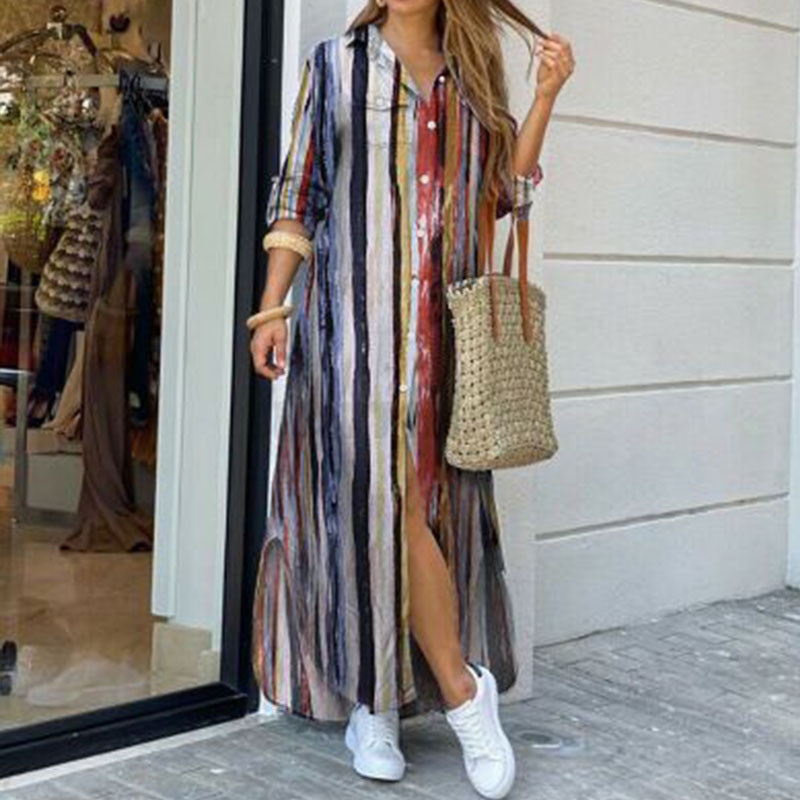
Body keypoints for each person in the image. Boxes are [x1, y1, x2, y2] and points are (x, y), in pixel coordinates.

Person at [248, 1, 574, 798]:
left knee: (417, 509)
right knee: (376, 502)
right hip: (347, 338)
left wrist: (545, 97)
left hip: (442, 341)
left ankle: (382, 702)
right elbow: (299, 191)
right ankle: (457, 696)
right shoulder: (335, 66)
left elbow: (502, 192)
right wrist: (271, 307)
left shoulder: (472, 76)